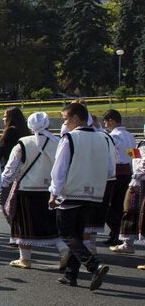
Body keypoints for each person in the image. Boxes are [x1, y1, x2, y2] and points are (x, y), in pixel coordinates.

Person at [50, 102, 112, 290]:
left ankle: (93, 265)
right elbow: (110, 169)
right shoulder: (104, 138)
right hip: (94, 193)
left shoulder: (70, 138)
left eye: (66, 119)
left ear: (76, 118)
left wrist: (54, 191)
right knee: (77, 234)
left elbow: (59, 169)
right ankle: (71, 275)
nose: (65, 123)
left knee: (67, 233)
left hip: (71, 191)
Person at [0, 111, 62, 269]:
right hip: (49, 190)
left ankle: (25, 259)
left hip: (26, 189)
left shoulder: (23, 143)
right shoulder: (57, 142)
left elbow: (10, 169)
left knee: (23, 225)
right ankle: (64, 250)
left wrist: (1, 184)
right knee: (51, 224)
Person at [103, 109, 136, 250]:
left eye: (106, 121)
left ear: (111, 121)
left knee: (104, 205)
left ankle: (117, 229)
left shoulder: (113, 136)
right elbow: (135, 155)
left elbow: (109, 156)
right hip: (127, 171)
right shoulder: (130, 136)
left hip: (115, 172)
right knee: (118, 205)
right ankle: (116, 234)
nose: (105, 124)